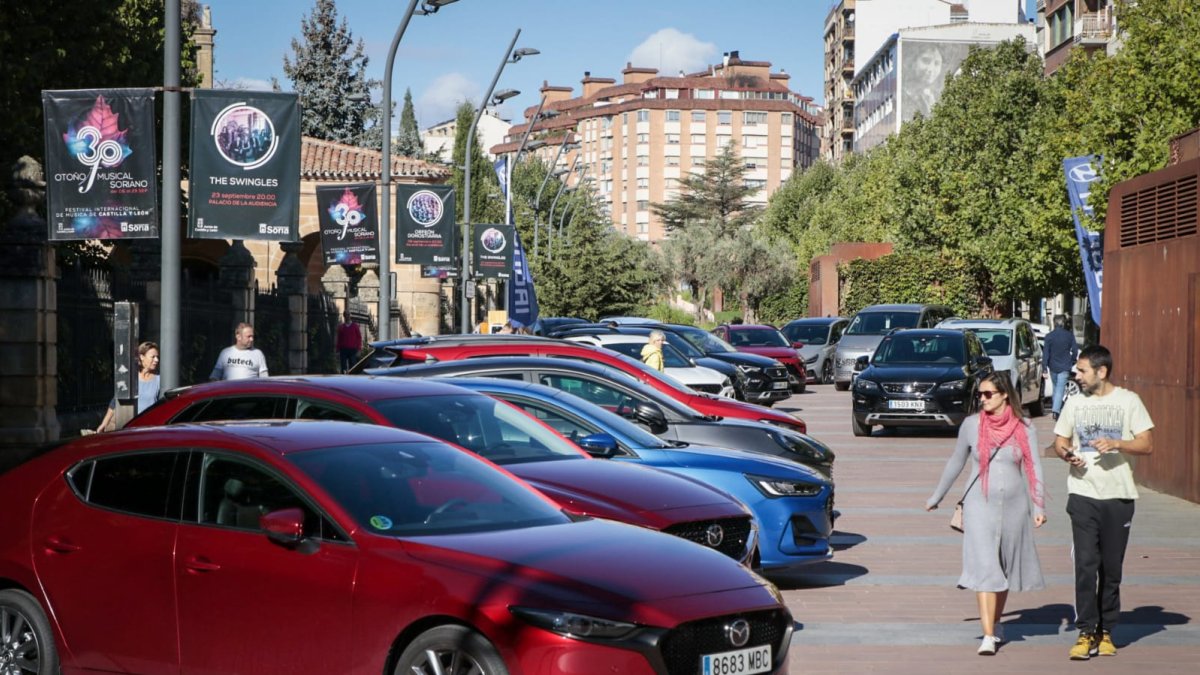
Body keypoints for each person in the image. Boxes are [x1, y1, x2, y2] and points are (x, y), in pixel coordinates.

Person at [926, 371, 1045, 656]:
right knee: (985, 566)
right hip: (979, 503)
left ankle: (995, 622)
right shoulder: (971, 425)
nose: (982, 399)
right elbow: (956, 462)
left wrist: (1039, 506)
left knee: (1001, 566)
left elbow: (1035, 467)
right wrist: (937, 496)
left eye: (988, 394)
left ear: (1005, 394)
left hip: (1016, 505)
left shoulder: (1025, 427)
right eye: (980, 394)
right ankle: (988, 635)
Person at [1054, 344, 1153, 660]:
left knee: (1111, 568)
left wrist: (1117, 443)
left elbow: (1147, 443)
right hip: (1082, 494)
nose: (1077, 376)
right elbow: (1060, 441)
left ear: (1102, 371)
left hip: (1119, 497)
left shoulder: (1129, 401)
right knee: (1085, 566)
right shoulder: (1074, 402)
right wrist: (1066, 453)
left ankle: (1107, 631)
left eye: (1082, 370)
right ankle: (1085, 632)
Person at [96, 341, 161, 432]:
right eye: (153, 357)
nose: (156, 360)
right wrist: (104, 424)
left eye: (157, 357)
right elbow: (115, 402)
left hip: (150, 430)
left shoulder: (159, 380)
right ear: (142, 357)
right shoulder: (130, 379)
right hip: (131, 429)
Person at [1043, 314, 1079, 419]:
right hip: (1065, 366)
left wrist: (1044, 367)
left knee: (1056, 388)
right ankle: (1056, 410)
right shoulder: (1069, 335)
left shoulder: (1049, 336)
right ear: (1063, 323)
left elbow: (1046, 353)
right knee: (1059, 388)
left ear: (1054, 323)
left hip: (1052, 366)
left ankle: (1056, 409)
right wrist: (1072, 361)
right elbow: (1075, 351)